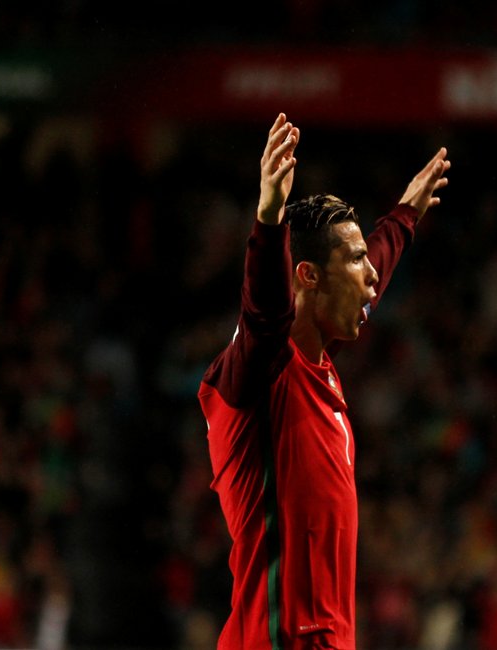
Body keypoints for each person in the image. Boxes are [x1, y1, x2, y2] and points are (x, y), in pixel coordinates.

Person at [198, 113, 450, 649]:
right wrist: (269, 219)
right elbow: (265, 312)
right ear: (307, 275)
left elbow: (366, 284)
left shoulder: (317, 369)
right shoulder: (258, 377)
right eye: (355, 260)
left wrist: (404, 217)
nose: (371, 275)